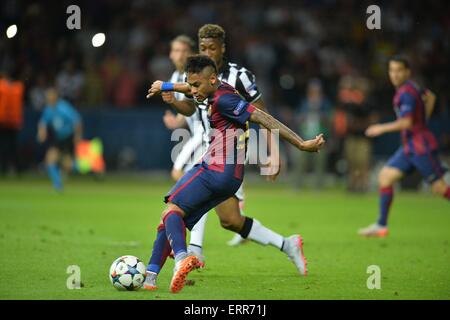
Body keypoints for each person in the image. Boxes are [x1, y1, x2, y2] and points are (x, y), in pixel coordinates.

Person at [145, 55, 325, 293]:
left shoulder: (225, 99)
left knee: (171, 210)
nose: (193, 90)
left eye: (197, 85)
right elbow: (189, 88)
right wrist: (166, 86)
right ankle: (149, 278)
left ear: (212, 79)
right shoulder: (216, 88)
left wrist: (301, 144)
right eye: (191, 84)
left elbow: (264, 117)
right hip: (230, 179)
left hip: (214, 169)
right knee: (170, 222)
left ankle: (182, 258)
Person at [157, 25, 281, 267]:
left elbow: (263, 114)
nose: (207, 52)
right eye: (203, 47)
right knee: (231, 220)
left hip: (230, 152)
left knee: (191, 196)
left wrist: (273, 153)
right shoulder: (196, 74)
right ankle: (287, 244)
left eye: (212, 48)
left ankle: (192, 250)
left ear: (223, 48)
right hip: (206, 145)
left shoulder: (239, 76)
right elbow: (191, 108)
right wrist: (173, 101)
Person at [358, 56, 449, 237]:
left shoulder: (406, 93)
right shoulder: (411, 88)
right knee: (385, 177)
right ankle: (381, 225)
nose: (395, 74)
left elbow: (406, 122)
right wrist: (422, 120)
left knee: (439, 188)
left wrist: (380, 128)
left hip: (420, 146)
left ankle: (381, 225)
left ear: (407, 72)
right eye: (392, 70)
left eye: (399, 70)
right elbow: (430, 97)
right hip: (410, 146)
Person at [37, 87, 82, 191]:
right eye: (47, 96)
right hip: (58, 138)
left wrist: (77, 136)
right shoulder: (48, 109)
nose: (48, 98)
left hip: (68, 138)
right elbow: (43, 122)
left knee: (68, 165)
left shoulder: (64, 108)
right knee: (50, 160)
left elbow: (77, 121)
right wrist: (41, 133)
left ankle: (89, 167)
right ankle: (58, 184)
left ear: (55, 96)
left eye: (50, 95)